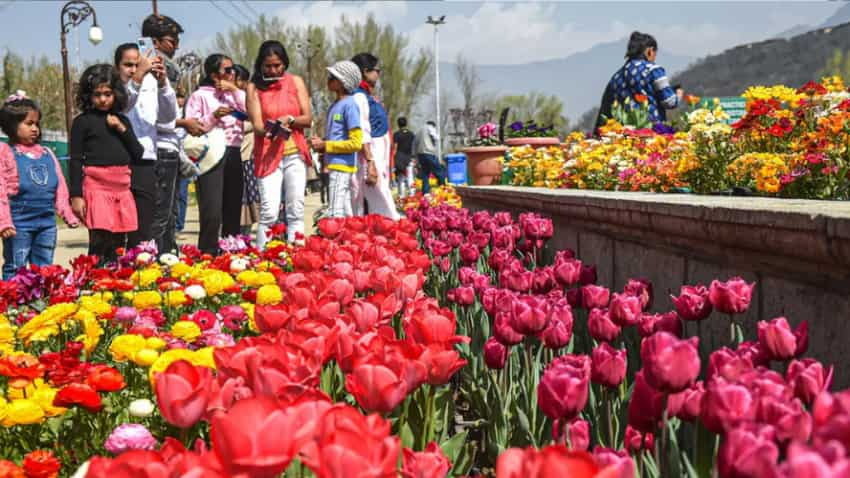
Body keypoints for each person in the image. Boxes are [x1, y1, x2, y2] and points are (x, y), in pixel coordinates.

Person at [68, 64, 143, 264]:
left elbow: (138, 153)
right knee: (100, 241)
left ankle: (116, 287)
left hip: (121, 190)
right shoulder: (82, 122)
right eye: (97, 94)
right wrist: (76, 196)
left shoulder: (122, 121)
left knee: (119, 244)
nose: (102, 99)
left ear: (116, 94)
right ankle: (96, 285)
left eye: (108, 94)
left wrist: (121, 128)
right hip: (97, 188)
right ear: (88, 96)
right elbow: (75, 160)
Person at [0, 92, 79, 278]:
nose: (35, 128)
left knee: (44, 268)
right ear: (11, 126)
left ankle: (41, 301)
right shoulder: (5, 152)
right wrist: (3, 221)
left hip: (47, 223)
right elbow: (1, 190)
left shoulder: (46, 153)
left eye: (36, 123)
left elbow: (59, 186)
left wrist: (67, 213)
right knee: (16, 266)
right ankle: (13, 305)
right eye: (29, 124)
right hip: (18, 225)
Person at [142, 13, 200, 253]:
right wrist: (184, 122)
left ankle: (167, 252)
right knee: (161, 213)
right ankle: (160, 258)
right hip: (160, 146)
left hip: (169, 145)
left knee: (171, 210)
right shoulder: (153, 66)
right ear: (155, 41)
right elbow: (153, 114)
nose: (175, 46)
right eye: (171, 41)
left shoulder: (165, 66)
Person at [245, 40, 312, 248]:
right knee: (269, 211)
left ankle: (296, 256)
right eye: (268, 66)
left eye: (277, 65)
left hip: (294, 154)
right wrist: (272, 129)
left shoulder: (296, 82)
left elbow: (307, 119)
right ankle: (263, 257)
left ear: (285, 63)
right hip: (268, 154)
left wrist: (290, 119)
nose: (273, 70)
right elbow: (256, 125)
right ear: (260, 65)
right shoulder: (254, 87)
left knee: (296, 209)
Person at [113, 42, 177, 249]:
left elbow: (169, 117)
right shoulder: (111, 88)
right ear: (117, 67)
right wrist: (138, 78)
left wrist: (163, 83)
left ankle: (139, 268)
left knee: (144, 227)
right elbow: (121, 106)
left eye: (137, 64)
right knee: (117, 227)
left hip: (146, 160)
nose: (133, 69)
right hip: (119, 160)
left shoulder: (150, 83)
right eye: (128, 65)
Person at [184, 54, 245, 255]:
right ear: (213, 74)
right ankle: (208, 252)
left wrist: (235, 90)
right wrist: (213, 116)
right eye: (227, 70)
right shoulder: (199, 95)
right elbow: (193, 128)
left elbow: (252, 112)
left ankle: (232, 250)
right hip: (211, 154)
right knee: (212, 207)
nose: (232, 73)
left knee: (233, 205)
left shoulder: (233, 94)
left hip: (234, 150)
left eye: (233, 68)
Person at [309, 60, 363, 218]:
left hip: (342, 166)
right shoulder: (335, 105)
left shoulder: (350, 105)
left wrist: (326, 145)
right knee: (345, 211)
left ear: (342, 82)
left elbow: (356, 143)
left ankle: (335, 241)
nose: (328, 79)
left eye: (332, 76)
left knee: (334, 211)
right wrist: (322, 145)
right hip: (334, 165)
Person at [349, 53, 399, 220]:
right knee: (380, 198)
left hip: (378, 153)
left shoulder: (367, 96)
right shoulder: (358, 96)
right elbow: (362, 131)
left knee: (381, 196)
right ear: (365, 71)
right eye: (377, 71)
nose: (378, 75)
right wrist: (370, 162)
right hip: (369, 154)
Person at [601, 31, 683, 125]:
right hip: (651, 132)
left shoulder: (616, 76)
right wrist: (678, 95)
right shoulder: (653, 70)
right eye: (655, 54)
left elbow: (607, 108)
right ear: (650, 51)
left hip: (624, 134)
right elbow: (669, 102)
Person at [234, 64, 259, 236]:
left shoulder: (248, 98)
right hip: (231, 154)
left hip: (246, 154)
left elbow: (257, 121)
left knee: (248, 197)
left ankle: (245, 233)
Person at [415, 120, 445, 195]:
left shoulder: (419, 130)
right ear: (433, 125)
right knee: (439, 171)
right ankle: (443, 188)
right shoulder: (430, 128)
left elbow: (414, 144)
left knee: (425, 173)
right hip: (429, 153)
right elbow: (436, 137)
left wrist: (416, 157)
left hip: (420, 155)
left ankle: (426, 192)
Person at [392, 116, 415, 198]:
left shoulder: (396, 134)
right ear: (406, 123)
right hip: (409, 157)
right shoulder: (411, 134)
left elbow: (395, 147)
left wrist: (392, 159)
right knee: (410, 176)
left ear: (398, 124)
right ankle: (412, 194)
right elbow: (413, 146)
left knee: (401, 177)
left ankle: (401, 196)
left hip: (399, 157)